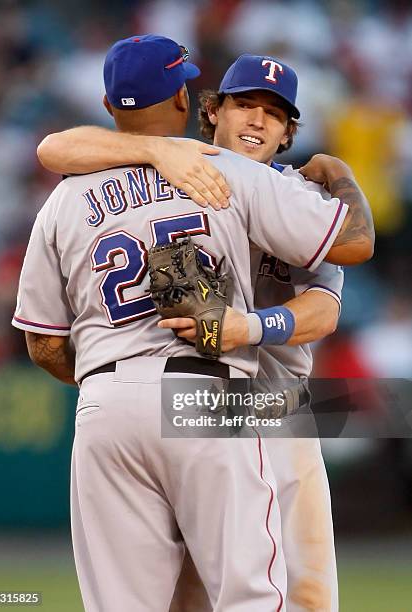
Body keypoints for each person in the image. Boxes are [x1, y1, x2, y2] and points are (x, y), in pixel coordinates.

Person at [19, 36, 374, 611]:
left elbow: (326, 307)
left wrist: (247, 330)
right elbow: (57, 146)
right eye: (244, 104)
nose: (258, 119)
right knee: (224, 597)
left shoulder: (286, 188)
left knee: (303, 595)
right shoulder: (210, 171)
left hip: (274, 405)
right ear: (207, 111)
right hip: (208, 395)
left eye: (276, 112)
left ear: (289, 132)